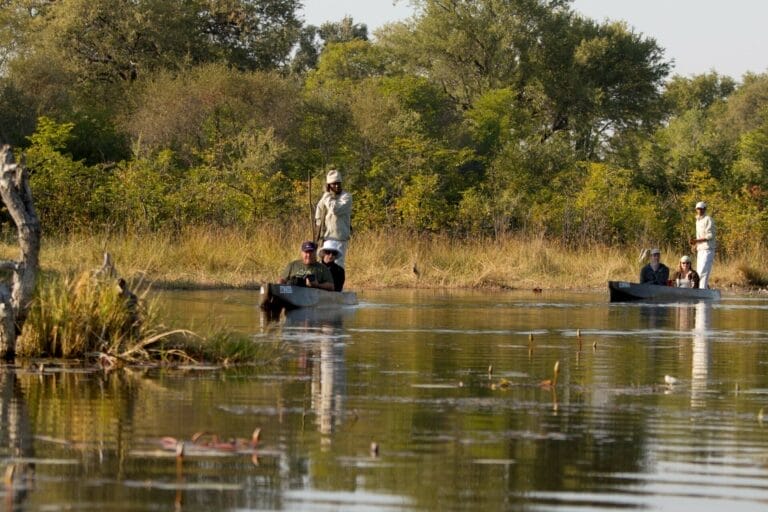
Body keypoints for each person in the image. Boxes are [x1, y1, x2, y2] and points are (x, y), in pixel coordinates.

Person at [315, 169, 352, 269]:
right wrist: (319, 235)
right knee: (324, 266)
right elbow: (318, 216)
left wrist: (327, 195)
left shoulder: (346, 197)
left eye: (338, 183)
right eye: (334, 184)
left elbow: (335, 210)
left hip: (339, 239)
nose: (336, 186)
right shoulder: (325, 198)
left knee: (337, 266)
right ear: (329, 185)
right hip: (326, 238)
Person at [689, 201, 716, 289]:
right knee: (698, 273)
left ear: (705, 209)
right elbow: (699, 236)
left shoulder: (708, 219)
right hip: (700, 249)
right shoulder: (697, 221)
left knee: (703, 272)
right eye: (698, 209)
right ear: (696, 209)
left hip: (708, 249)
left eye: (701, 209)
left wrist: (696, 240)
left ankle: (702, 290)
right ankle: (702, 290)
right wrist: (695, 245)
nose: (700, 210)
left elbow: (710, 236)